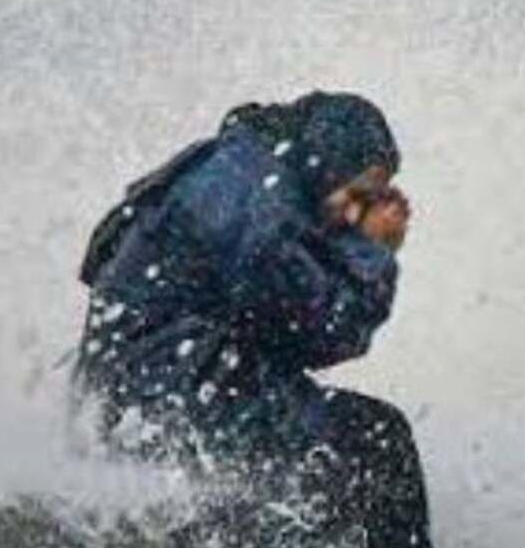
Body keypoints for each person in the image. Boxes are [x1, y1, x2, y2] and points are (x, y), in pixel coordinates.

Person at [75, 92, 430, 548]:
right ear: (329, 160)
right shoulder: (258, 202)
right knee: (377, 438)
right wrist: (374, 250)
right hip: (176, 395)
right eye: (359, 195)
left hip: (144, 389)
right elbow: (324, 330)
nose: (353, 214)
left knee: (328, 455)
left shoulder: (240, 170)